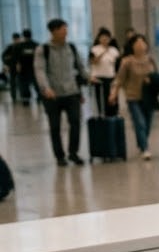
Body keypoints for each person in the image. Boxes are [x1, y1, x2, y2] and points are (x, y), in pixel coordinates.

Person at [34, 19, 87, 166]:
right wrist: (46, 88)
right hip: (53, 95)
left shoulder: (71, 47)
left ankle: (73, 153)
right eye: (63, 29)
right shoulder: (43, 49)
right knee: (55, 126)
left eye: (66, 29)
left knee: (76, 122)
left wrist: (89, 77)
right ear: (53, 31)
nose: (66, 32)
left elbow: (80, 67)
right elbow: (40, 71)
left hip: (72, 92)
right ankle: (60, 156)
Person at [110, 33, 159, 161]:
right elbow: (119, 79)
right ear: (132, 46)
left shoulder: (150, 60)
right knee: (140, 122)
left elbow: (157, 77)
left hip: (149, 97)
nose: (141, 45)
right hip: (133, 97)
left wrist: (152, 80)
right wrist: (114, 93)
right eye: (137, 43)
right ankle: (145, 148)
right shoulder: (127, 62)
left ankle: (141, 141)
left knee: (147, 124)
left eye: (143, 42)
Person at [89, 27, 121, 118]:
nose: (104, 40)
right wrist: (103, 52)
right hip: (98, 78)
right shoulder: (94, 49)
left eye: (107, 38)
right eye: (102, 37)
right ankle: (101, 115)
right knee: (100, 99)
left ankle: (113, 115)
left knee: (112, 98)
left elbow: (118, 65)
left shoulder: (114, 50)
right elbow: (93, 61)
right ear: (99, 38)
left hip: (111, 77)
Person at [15, 29, 38, 104]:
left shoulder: (19, 46)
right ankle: (40, 98)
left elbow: (16, 58)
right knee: (36, 84)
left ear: (23, 36)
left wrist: (17, 65)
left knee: (24, 85)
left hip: (23, 69)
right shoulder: (36, 45)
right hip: (34, 68)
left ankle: (26, 100)